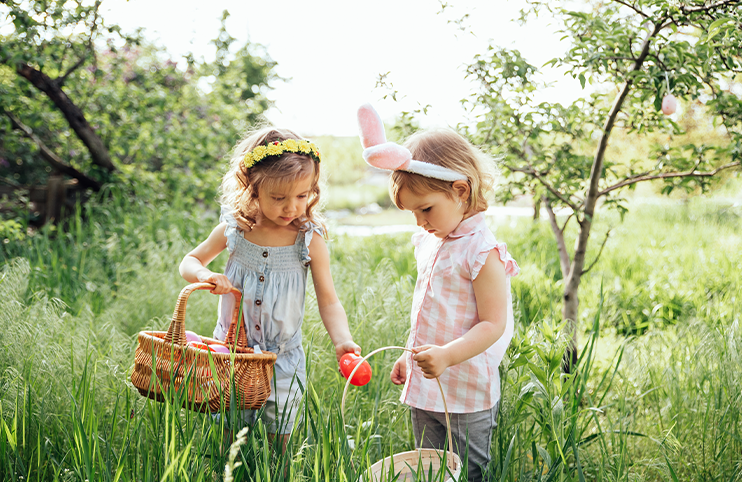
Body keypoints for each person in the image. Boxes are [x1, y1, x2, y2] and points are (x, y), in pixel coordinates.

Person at [357, 104, 520, 482]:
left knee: (468, 471)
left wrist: (447, 355)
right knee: (427, 469)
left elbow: (493, 324)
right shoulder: (432, 241)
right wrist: (407, 354)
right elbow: (429, 310)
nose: (420, 221)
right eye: (412, 213)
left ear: (460, 191)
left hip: (465, 391)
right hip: (427, 386)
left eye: (426, 208)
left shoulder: (482, 251)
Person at [179, 127, 360, 447]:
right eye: (279, 198)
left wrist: (342, 340)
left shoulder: (309, 239)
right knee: (228, 435)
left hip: (283, 359)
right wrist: (205, 276)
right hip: (230, 354)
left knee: (281, 439)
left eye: (302, 196)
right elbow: (190, 261)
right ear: (252, 189)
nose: (292, 207)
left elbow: (329, 301)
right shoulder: (235, 230)